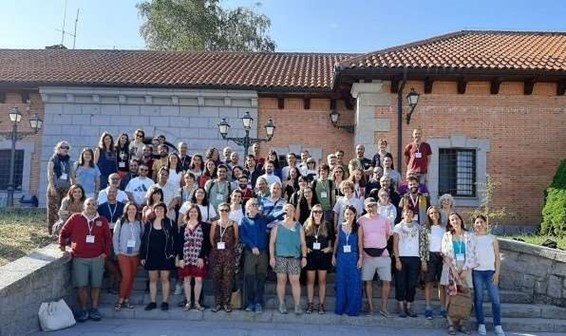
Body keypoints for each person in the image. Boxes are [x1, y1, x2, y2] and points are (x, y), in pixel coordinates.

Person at [59, 198, 111, 322]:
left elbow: (108, 238)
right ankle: (83, 310)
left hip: (97, 258)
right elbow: (64, 232)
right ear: (84, 206)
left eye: (94, 204)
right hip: (79, 258)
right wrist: (62, 246)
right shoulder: (75, 218)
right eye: (89, 204)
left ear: (97, 207)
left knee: (96, 285)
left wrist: (105, 253)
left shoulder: (102, 220)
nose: (91, 206)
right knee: (82, 286)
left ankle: (94, 309)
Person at [239, 198, 284, 313]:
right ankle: (250, 302)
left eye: (256, 204)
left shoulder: (263, 219)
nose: (256, 206)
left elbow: (274, 216)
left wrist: (284, 210)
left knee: (260, 278)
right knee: (249, 278)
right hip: (250, 253)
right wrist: (252, 246)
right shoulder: (243, 221)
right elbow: (243, 236)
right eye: (253, 204)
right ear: (247, 207)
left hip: (263, 253)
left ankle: (259, 302)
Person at [442, 212, 478, 335]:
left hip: (466, 267)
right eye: (452, 220)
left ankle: (462, 324)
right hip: (451, 268)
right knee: (451, 295)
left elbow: (474, 253)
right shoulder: (447, 236)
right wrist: (453, 270)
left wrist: (466, 269)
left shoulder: (470, 236)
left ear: (460, 220)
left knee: (465, 296)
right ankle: (451, 323)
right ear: (450, 223)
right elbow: (444, 253)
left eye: (456, 219)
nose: (454, 221)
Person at [269, 203, 307, 315]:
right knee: (281, 281)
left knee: (295, 281)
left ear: (294, 212)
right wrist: (272, 257)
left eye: (291, 210)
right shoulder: (277, 226)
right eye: (286, 210)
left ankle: (297, 305)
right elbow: (272, 243)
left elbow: (303, 243)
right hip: (280, 257)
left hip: (294, 258)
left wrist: (304, 257)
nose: (288, 212)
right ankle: (281, 304)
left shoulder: (299, 226)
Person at [358, 197, 393, 317]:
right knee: (367, 282)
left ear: (377, 206)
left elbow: (388, 235)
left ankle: (384, 308)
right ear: (365, 207)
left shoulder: (385, 220)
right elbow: (360, 239)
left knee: (387, 281)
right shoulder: (360, 220)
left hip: (383, 255)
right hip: (367, 255)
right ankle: (371, 308)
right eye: (368, 206)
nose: (371, 208)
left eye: (373, 205)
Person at [140, 202, 177, 311]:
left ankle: (165, 302)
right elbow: (144, 240)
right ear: (154, 211)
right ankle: (153, 301)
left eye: (161, 209)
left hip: (166, 255)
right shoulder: (149, 223)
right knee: (153, 279)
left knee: (165, 279)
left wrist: (174, 254)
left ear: (165, 211)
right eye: (157, 209)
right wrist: (143, 256)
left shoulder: (170, 223)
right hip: (151, 255)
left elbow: (175, 239)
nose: (159, 211)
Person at [472, 215, 505, 336]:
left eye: (481, 222)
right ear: (474, 225)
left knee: (495, 299)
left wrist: (497, 273)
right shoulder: (472, 238)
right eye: (476, 222)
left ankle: (498, 325)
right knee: (479, 298)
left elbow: (497, 257)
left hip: (490, 271)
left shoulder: (492, 238)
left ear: (486, 224)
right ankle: (481, 324)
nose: (479, 224)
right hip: (477, 272)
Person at [175, 204, 211, 311]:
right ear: (188, 213)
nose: (193, 214)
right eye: (191, 212)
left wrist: (202, 257)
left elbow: (206, 243)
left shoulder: (204, 226)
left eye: (195, 212)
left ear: (198, 213)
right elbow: (179, 243)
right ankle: (188, 302)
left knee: (198, 280)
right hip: (186, 256)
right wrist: (181, 258)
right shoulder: (183, 227)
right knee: (186, 279)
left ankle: (196, 302)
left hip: (198, 256)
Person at [393, 207, 425, 318]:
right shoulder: (397, 227)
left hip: (415, 258)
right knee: (401, 283)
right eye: (406, 211)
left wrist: (422, 259)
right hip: (401, 257)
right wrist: (397, 259)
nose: (408, 213)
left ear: (413, 214)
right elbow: (395, 244)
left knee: (412, 284)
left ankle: (409, 306)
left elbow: (422, 244)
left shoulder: (418, 227)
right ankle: (401, 307)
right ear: (402, 214)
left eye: (410, 212)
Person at [112, 202, 143, 311]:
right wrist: (117, 252)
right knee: (126, 277)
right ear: (126, 210)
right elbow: (115, 237)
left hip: (135, 254)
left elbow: (142, 237)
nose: (131, 211)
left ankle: (126, 300)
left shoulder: (139, 222)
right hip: (123, 254)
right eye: (129, 209)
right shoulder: (121, 221)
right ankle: (120, 300)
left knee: (132, 278)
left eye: (134, 209)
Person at [332, 206, 363, 316]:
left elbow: (360, 243)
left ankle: (352, 309)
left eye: (351, 214)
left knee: (354, 283)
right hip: (341, 257)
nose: (349, 216)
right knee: (341, 282)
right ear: (344, 215)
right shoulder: (340, 227)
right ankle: (341, 307)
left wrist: (360, 257)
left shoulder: (358, 227)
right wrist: (333, 255)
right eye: (347, 214)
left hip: (353, 257)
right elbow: (336, 242)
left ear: (355, 215)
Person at [303, 204, 333, 314]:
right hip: (311, 256)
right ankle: (310, 304)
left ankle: (321, 305)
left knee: (322, 281)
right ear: (312, 213)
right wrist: (305, 248)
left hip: (323, 256)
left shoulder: (327, 225)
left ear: (323, 213)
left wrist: (329, 248)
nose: (317, 214)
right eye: (315, 211)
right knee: (310, 281)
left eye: (320, 211)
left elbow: (331, 240)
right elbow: (302, 240)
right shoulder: (307, 224)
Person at [209, 203, 239, 312]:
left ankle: (226, 303)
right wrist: (217, 249)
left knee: (228, 279)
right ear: (218, 211)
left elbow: (236, 239)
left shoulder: (234, 224)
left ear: (229, 211)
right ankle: (217, 303)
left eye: (226, 210)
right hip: (216, 255)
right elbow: (211, 239)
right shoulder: (214, 224)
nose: (224, 212)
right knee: (216, 279)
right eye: (222, 210)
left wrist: (229, 250)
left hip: (229, 255)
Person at [98, 186, 125, 294]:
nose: (112, 194)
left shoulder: (122, 206)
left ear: (117, 193)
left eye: (114, 192)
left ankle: (115, 285)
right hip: (105, 236)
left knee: (117, 259)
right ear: (106, 193)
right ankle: (118, 278)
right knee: (106, 258)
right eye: (110, 192)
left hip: (119, 236)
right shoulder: (101, 207)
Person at [422, 206, 447, 320]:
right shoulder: (426, 228)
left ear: (439, 214)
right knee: (429, 283)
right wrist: (423, 260)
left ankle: (443, 308)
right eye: (431, 213)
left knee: (442, 284)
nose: (434, 215)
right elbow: (422, 245)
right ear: (428, 215)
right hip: (430, 257)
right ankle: (428, 308)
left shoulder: (444, 228)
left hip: (442, 257)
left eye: (436, 213)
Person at [47, 141, 74, 234]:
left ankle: (62, 231)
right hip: (55, 187)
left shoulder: (69, 161)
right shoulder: (53, 159)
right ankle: (52, 231)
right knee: (53, 209)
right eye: (63, 147)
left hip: (66, 188)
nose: (65, 149)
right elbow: (50, 174)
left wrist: (73, 187)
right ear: (58, 149)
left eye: (67, 148)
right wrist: (52, 187)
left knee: (63, 209)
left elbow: (72, 175)